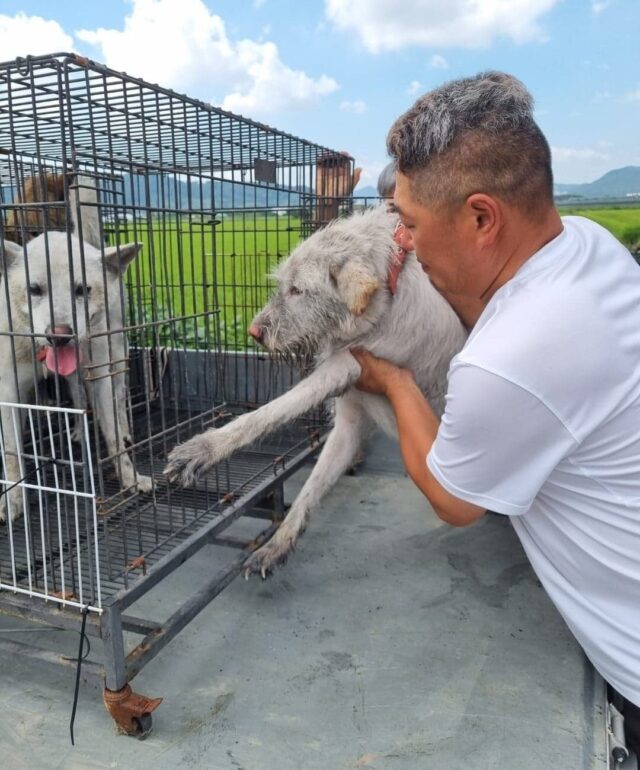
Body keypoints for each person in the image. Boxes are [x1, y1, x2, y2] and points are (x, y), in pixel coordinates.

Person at [353, 71, 640, 754]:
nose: (408, 247)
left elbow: (456, 500)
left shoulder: (506, 364)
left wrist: (392, 379)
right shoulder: (588, 245)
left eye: (413, 226)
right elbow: (498, 310)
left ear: (482, 218)